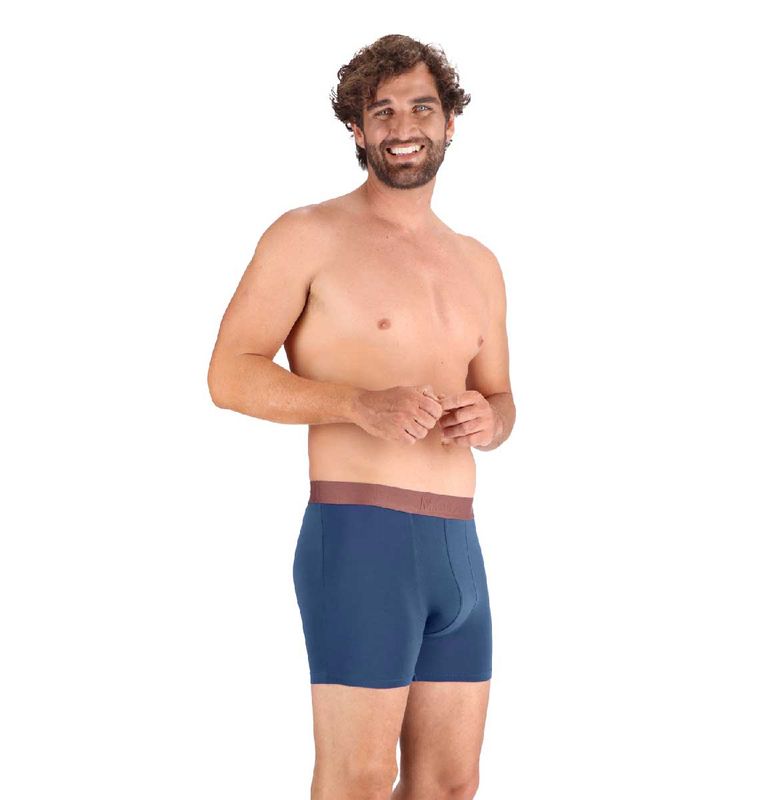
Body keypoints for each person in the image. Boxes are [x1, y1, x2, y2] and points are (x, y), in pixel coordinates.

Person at [207, 33, 515, 800]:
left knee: (451, 784)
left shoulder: (479, 264)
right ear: (356, 129)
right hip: (361, 540)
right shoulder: (307, 235)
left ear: (450, 123)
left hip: (459, 548)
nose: (403, 126)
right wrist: (356, 404)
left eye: (421, 108)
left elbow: (502, 399)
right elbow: (228, 374)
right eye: (383, 112)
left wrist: (489, 421)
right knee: (359, 779)